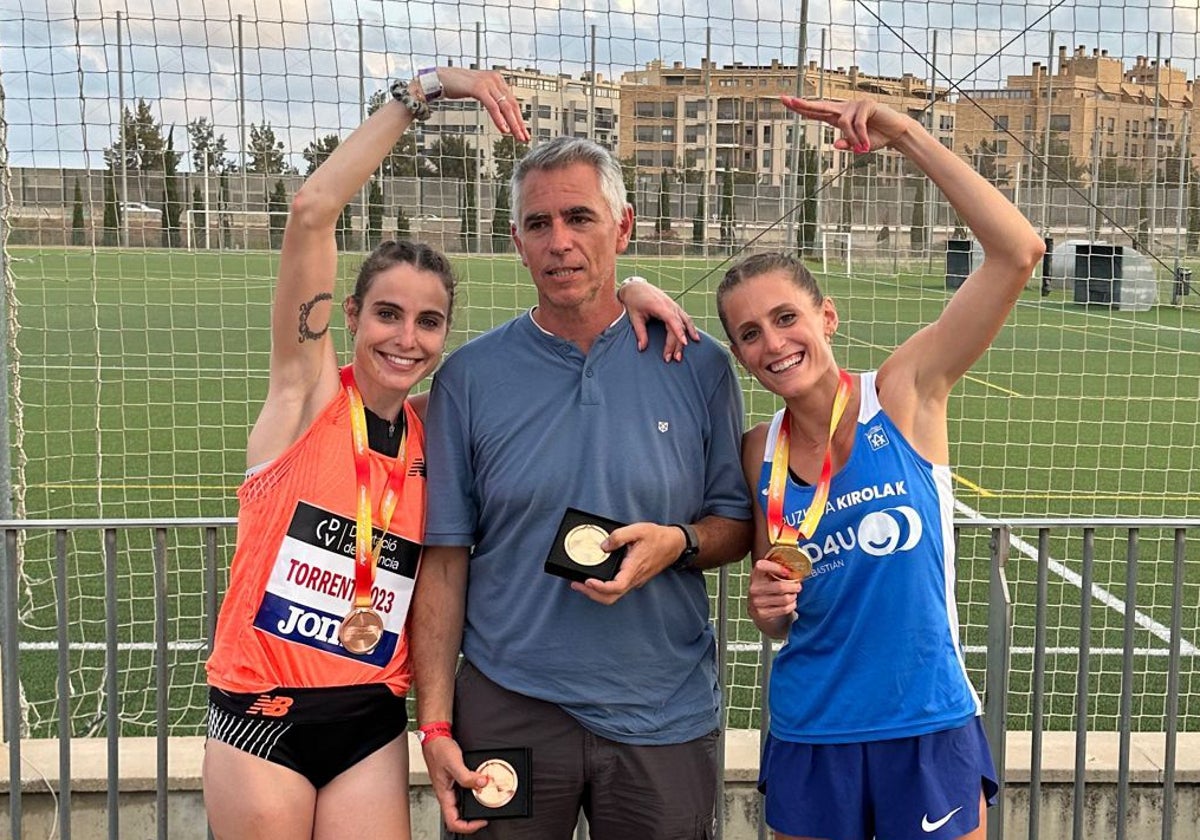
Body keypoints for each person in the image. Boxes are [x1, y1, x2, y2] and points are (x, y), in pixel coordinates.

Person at [201, 67, 692, 840]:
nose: (405, 338)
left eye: (428, 322)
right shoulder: (303, 401)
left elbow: (532, 396)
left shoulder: (439, 421)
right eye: (387, 314)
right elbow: (312, 210)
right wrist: (422, 92)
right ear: (351, 315)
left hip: (369, 722)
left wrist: (622, 286)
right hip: (267, 715)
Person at [413, 135, 755, 839]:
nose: (559, 242)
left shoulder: (698, 366)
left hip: (662, 709)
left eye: (579, 218)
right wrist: (436, 724)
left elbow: (736, 522)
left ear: (622, 226)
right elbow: (444, 562)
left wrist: (678, 544)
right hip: (510, 704)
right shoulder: (469, 380)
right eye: (539, 224)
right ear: (516, 239)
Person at [721, 97, 1045, 840]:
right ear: (739, 355)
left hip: (925, 723)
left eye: (785, 318)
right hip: (810, 731)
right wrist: (764, 611)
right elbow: (779, 605)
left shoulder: (902, 393)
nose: (772, 343)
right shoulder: (755, 452)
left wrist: (905, 135)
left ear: (826, 317)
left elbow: (1018, 250)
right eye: (748, 334)